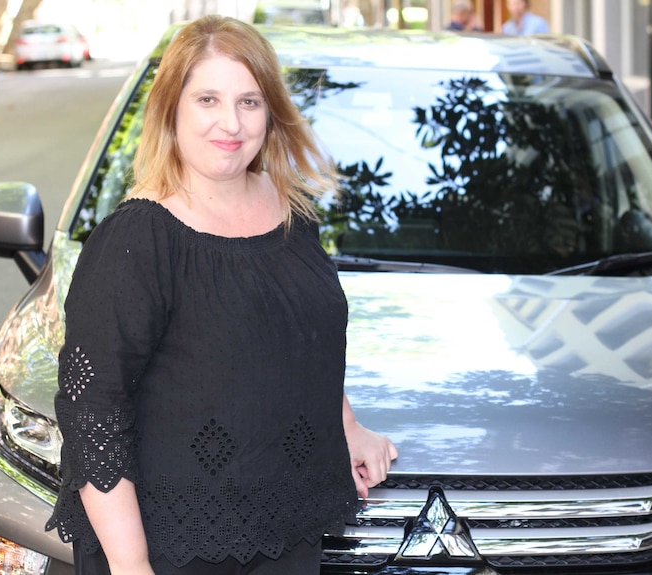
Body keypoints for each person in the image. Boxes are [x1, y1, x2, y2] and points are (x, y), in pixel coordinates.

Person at [45, 14, 398, 575]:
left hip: (285, 529)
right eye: (207, 99)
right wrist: (133, 568)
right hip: (170, 547)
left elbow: (302, 344)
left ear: (270, 112)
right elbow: (94, 417)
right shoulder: (138, 239)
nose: (230, 123)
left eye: (250, 101)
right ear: (172, 110)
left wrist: (347, 426)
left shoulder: (290, 213)